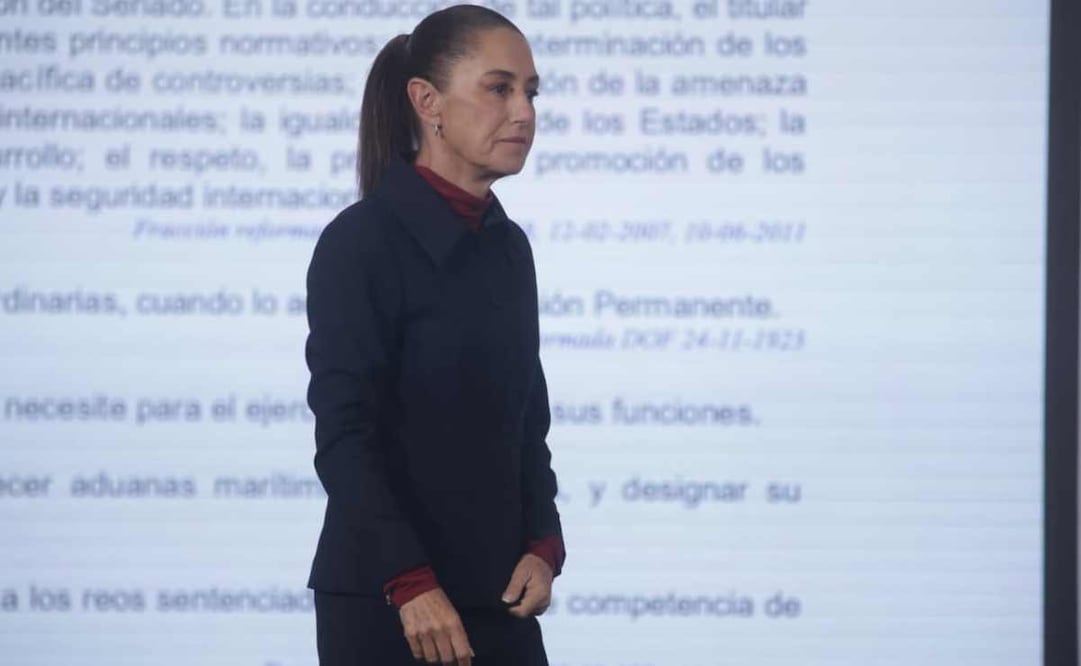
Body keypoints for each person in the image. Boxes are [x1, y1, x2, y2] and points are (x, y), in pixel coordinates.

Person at [303, 5, 565, 665]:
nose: (524, 113)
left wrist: (543, 542)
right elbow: (343, 436)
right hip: (389, 601)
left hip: (498, 596)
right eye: (498, 88)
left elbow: (524, 420)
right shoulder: (361, 243)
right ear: (427, 101)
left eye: (530, 93)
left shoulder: (509, 248)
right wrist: (409, 582)